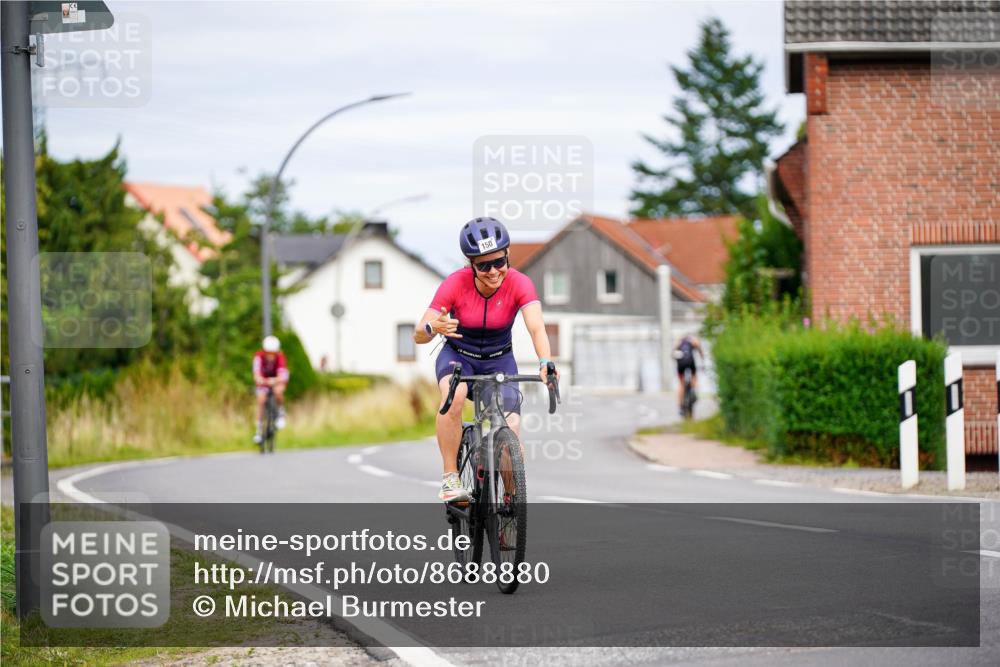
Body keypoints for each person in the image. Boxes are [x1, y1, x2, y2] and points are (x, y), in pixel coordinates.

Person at [414, 217, 558, 502]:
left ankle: (511, 499)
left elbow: (536, 327)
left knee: (511, 426)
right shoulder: (455, 284)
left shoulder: (520, 283)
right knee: (455, 397)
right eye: (483, 265)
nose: (493, 271)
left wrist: (546, 362)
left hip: (499, 360)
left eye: (499, 262)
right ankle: (450, 477)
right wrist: (434, 328)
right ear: (471, 264)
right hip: (458, 356)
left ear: (507, 256)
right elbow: (419, 333)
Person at [252, 335, 289, 444]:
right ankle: (258, 431)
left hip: (276, 380)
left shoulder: (280, 358)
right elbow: (256, 373)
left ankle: (281, 412)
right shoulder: (258, 357)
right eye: (268, 353)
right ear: (264, 351)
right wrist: (259, 379)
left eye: (273, 353)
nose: (270, 356)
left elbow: (282, 374)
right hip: (263, 380)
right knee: (261, 400)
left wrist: (275, 380)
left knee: (278, 391)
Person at [673, 333, 703, 414]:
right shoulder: (693, 340)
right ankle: (693, 390)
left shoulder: (679, 342)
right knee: (694, 376)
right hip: (690, 362)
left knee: (681, 384)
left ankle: (680, 405)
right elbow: (700, 349)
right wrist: (702, 360)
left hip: (681, 364)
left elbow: (673, 354)